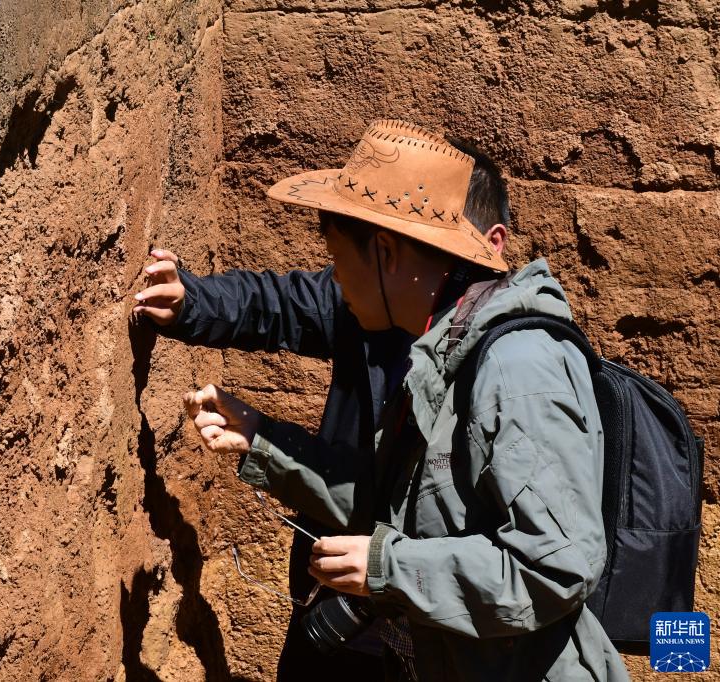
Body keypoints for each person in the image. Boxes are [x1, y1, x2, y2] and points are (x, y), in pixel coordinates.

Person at [177, 120, 629, 680]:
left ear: (387, 253)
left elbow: (556, 566)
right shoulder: (441, 353)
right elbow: (404, 508)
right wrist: (265, 442)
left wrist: (389, 567)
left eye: (339, 260)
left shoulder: (520, 369)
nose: (336, 282)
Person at [133, 120, 509, 678]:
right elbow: (281, 303)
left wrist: (267, 444)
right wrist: (193, 301)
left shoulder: (504, 366)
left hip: (432, 634)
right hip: (340, 609)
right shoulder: (375, 302)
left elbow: (498, 552)